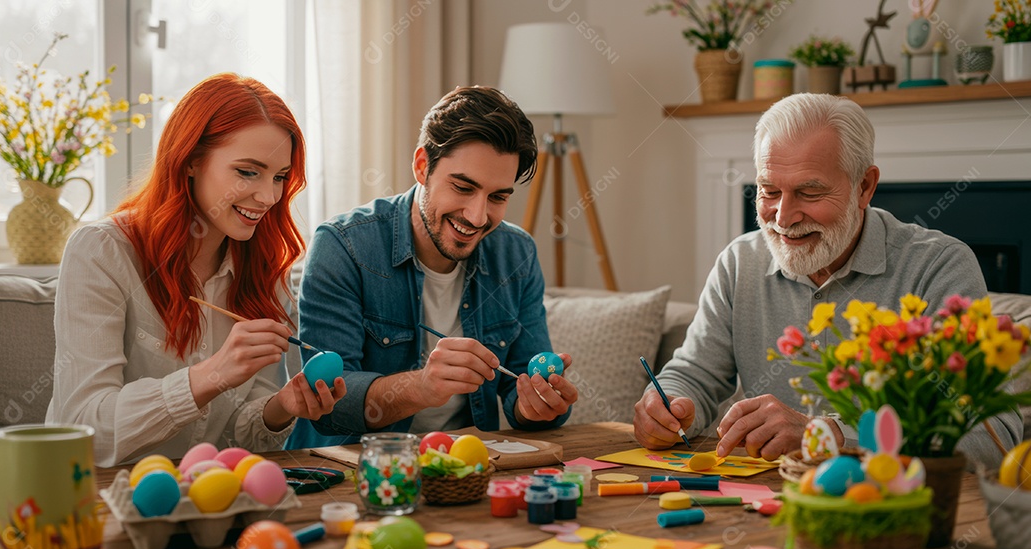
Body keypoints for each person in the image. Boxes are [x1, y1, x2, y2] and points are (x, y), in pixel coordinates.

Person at [632, 93, 1020, 467]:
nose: (783, 218)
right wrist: (667, 405)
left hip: (890, 502)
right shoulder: (739, 262)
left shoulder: (938, 267)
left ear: (864, 187)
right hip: (762, 500)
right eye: (769, 190)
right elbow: (695, 373)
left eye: (809, 192)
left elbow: (993, 438)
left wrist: (829, 437)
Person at [46, 74, 345, 467]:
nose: (269, 196)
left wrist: (280, 407)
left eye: (279, 177)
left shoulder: (266, 269)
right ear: (190, 161)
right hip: (99, 490)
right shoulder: (102, 252)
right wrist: (211, 375)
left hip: (207, 490)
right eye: (247, 172)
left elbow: (241, 436)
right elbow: (84, 427)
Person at [285, 86, 577, 447]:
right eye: (463, 187)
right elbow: (328, 405)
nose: (477, 216)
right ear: (422, 166)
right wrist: (421, 386)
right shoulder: (343, 247)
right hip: (353, 468)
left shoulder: (517, 255)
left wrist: (538, 406)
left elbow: (520, 387)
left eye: (497, 197)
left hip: (463, 466)